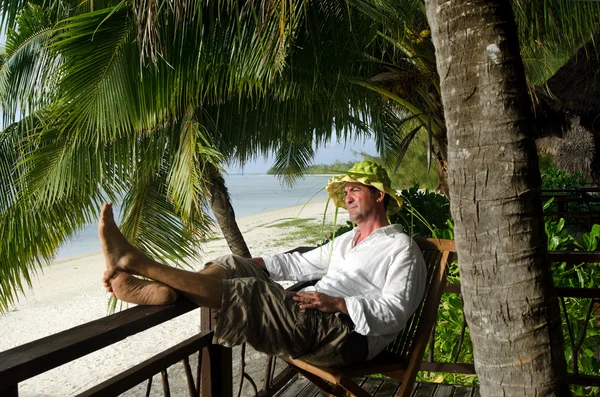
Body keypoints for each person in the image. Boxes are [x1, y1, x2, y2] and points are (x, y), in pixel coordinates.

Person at [100, 161, 426, 366]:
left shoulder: (402, 249)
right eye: (346, 193)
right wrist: (256, 263)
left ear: (379, 195)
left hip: (347, 338)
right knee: (234, 263)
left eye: (355, 190)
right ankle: (164, 289)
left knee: (252, 292)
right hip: (311, 315)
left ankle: (140, 264)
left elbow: (395, 311)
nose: (348, 197)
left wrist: (340, 303)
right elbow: (302, 263)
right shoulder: (347, 241)